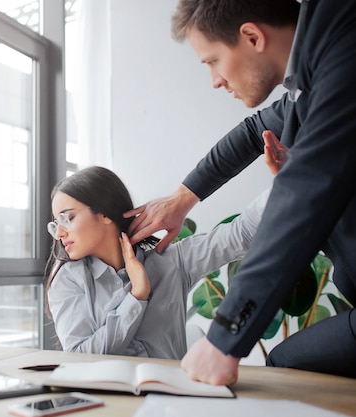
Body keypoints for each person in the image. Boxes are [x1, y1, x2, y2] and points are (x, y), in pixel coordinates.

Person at [125, 0, 356, 384]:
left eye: (212, 61)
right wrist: (182, 200)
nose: (215, 80)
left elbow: (305, 194)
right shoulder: (314, 75)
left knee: (288, 366)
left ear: (252, 36)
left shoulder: (344, 57)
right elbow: (253, 134)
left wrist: (223, 337)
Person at [45, 165, 269, 360]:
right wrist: (137, 296)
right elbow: (78, 356)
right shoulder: (67, 279)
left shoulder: (172, 262)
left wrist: (293, 179)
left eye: (68, 218)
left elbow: (242, 233)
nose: (60, 233)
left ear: (104, 213)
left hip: (169, 405)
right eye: (56, 224)